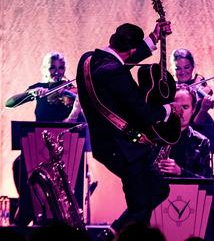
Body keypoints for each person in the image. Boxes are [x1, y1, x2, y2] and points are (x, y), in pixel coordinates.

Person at [76, 22, 183, 241]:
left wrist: (154, 38)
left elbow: (119, 65)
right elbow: (143, 112)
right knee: (141, 204)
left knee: (157, 190)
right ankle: (110, 236)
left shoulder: (89, 60)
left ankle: (115, 231)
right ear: (131, 50)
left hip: (109, 145)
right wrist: (169, 108)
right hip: (124, 149)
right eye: (134, 52)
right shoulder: (116, 73)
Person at [6, 52, 85, 226]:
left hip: (64, 145)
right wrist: (33, 93)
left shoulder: (71, 91)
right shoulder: (39, 88)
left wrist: (74, 101)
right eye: (52, 67)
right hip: (38, 143)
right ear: (44, 69)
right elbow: (9, 103)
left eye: (61, 67)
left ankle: (37, 213)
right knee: (19, 164)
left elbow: (85, 116)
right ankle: (28, 205)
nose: (57, 71)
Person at [158, 84, 214, 178]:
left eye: (185, 107)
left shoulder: (201, 142)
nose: (180, 111)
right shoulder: (155, 135)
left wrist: (180, 172)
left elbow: (207, 181)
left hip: (185, 192)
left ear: (193, 109)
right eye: (175, 106)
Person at [170, 48, 214, 155]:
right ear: (172, 69)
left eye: (187, 67)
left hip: (201, 130)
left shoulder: (200, 84)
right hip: (178, 134)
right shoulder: (169, 89)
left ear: (193, 67)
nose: (182, 72)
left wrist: (203, 108)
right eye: (178, 68)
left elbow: (196, 123)